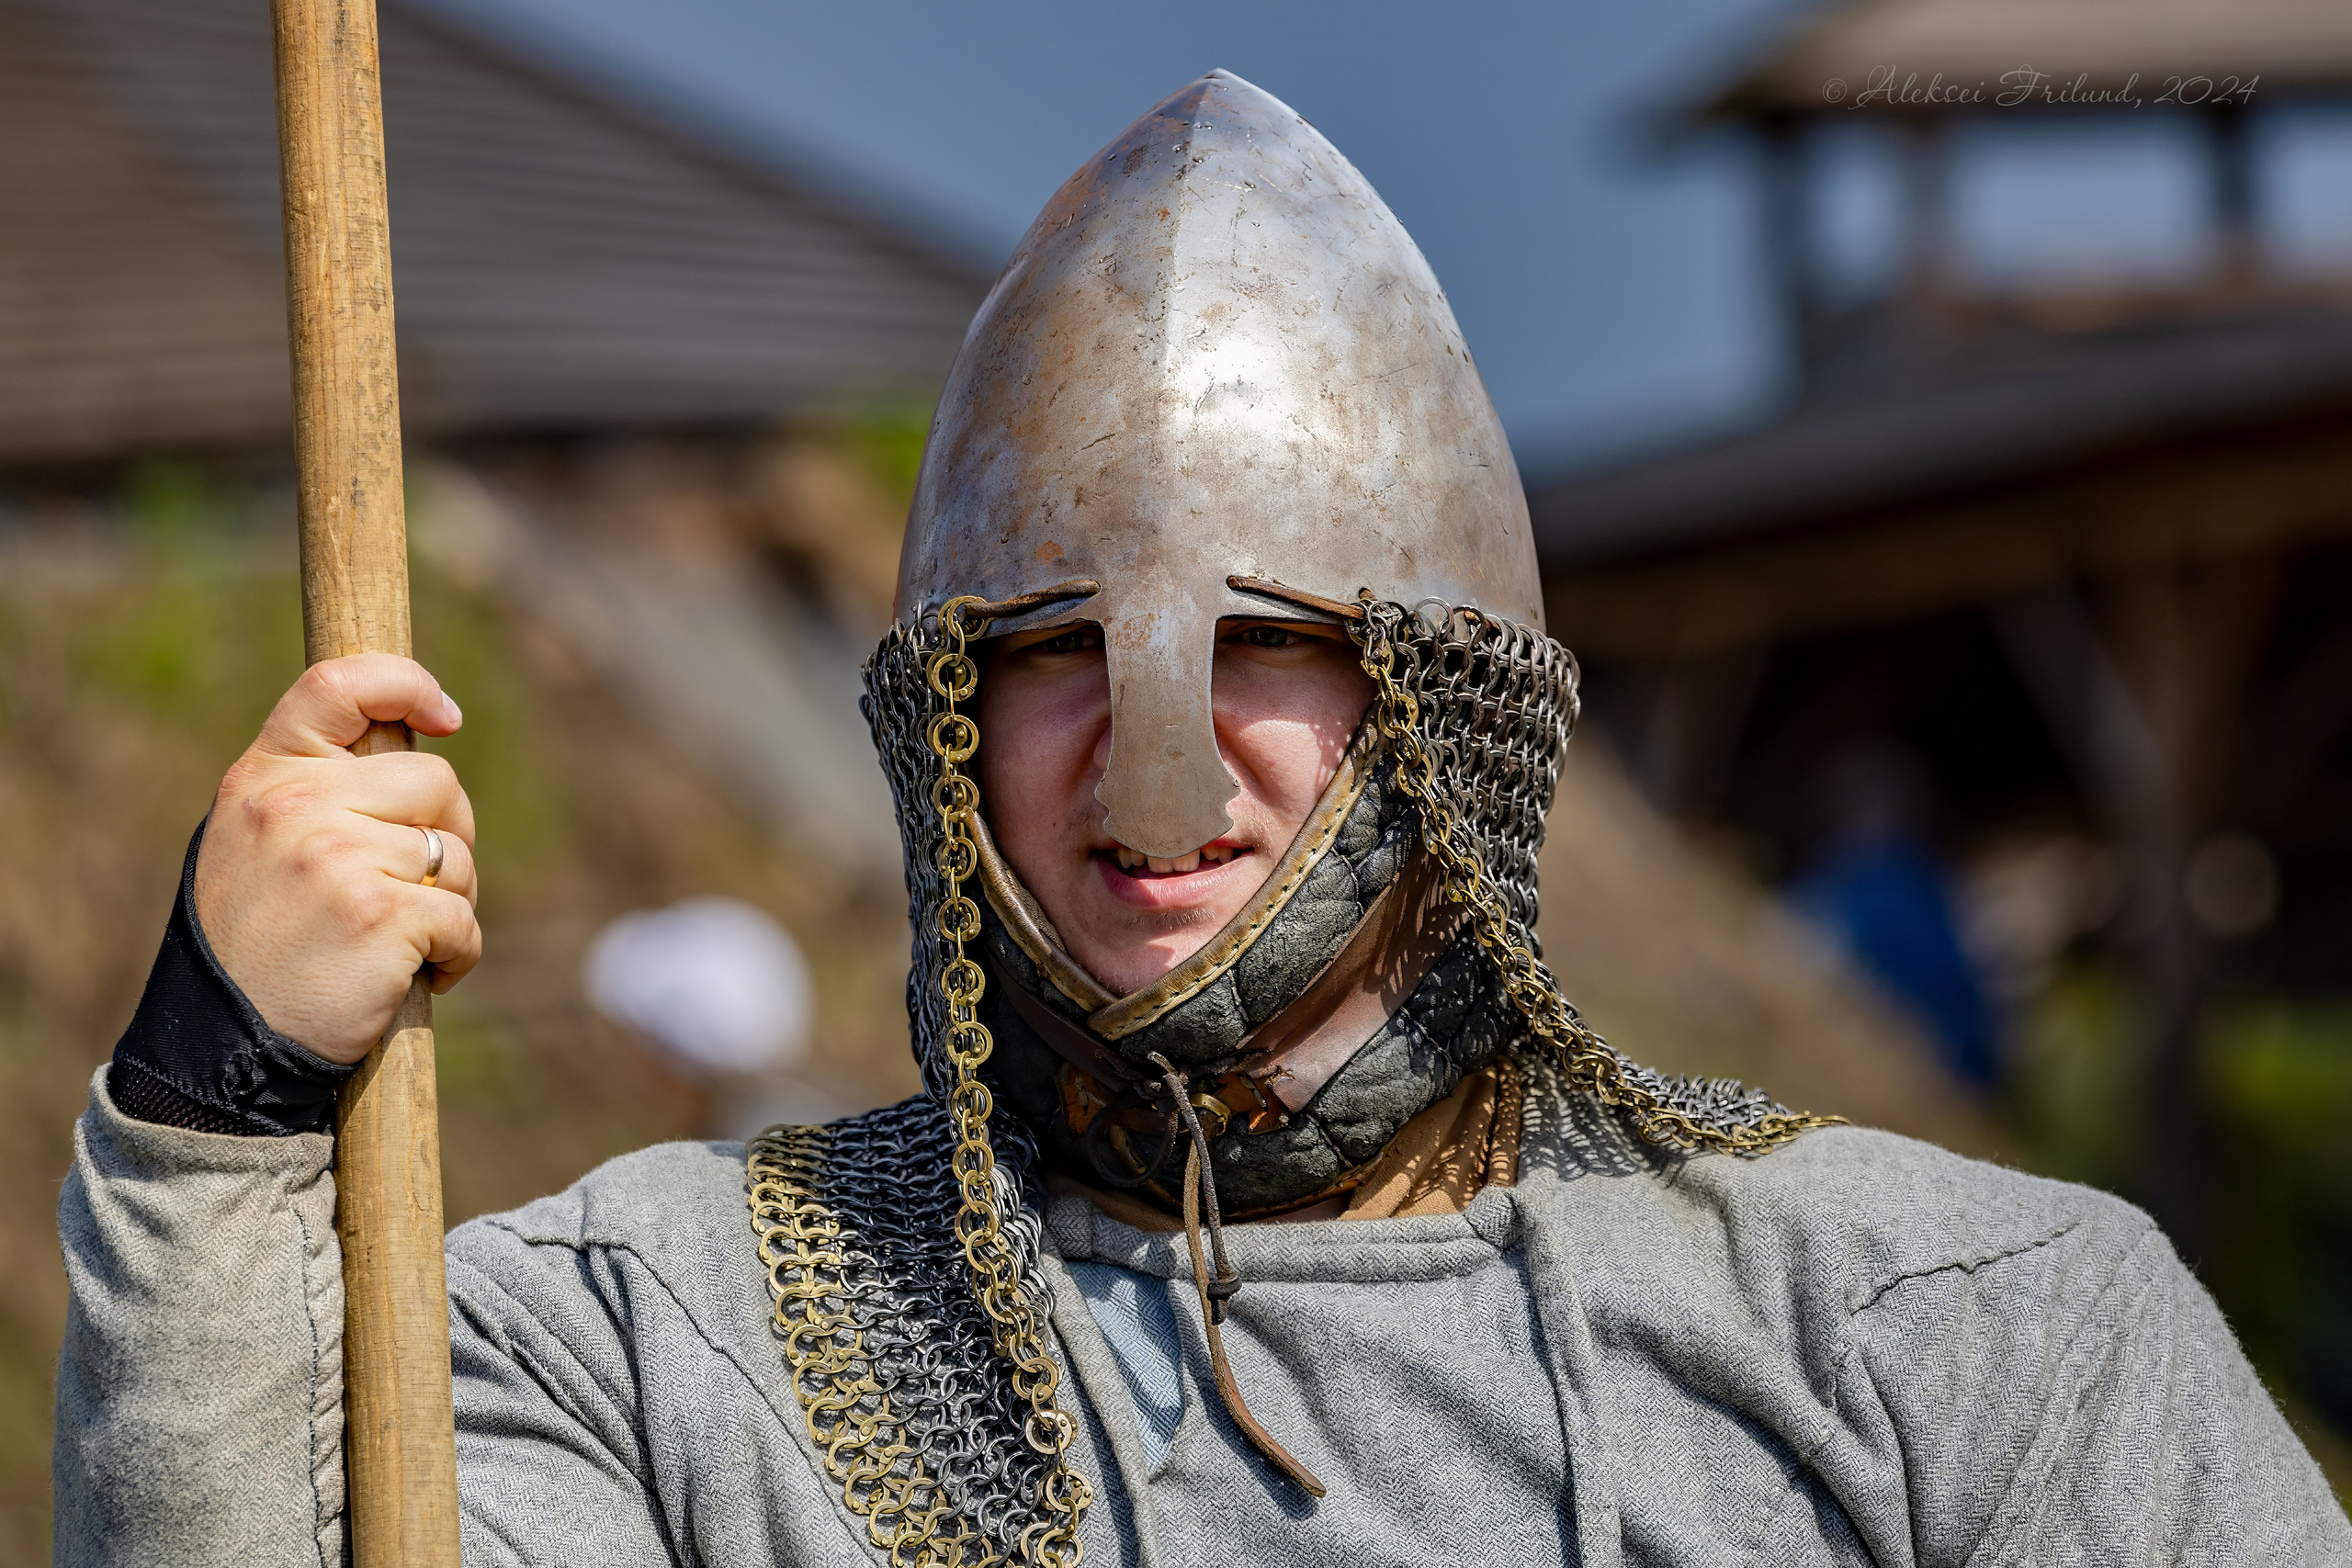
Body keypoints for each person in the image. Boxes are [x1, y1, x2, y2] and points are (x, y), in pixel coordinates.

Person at [52, 71, 2348, 1568]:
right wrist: (219, 1094)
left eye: (1270, 644)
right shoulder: (658, 1348)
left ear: (1453, 715)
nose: (1151, 758)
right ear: (939, 722)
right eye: (1044, 651)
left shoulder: (1964, 1336)